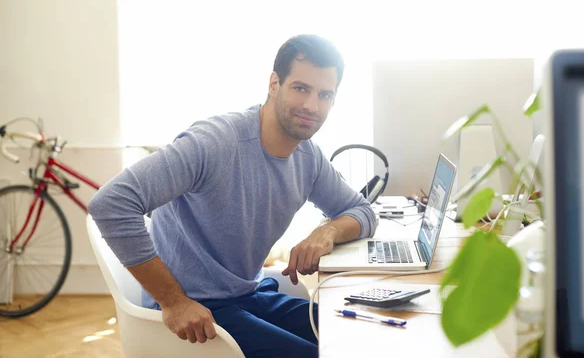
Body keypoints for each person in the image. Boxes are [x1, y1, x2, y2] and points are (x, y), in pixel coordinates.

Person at [88, 34, 377, 358]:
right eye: (301, 89)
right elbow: (111, 204)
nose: (312, 106)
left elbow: (361, 210)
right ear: (274, 84)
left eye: (325, 94)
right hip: (199, 308)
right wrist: (173, 301)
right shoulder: (214, 143)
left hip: (248, 294)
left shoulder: (308, 157)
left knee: (356, 335)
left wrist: (327, 231)